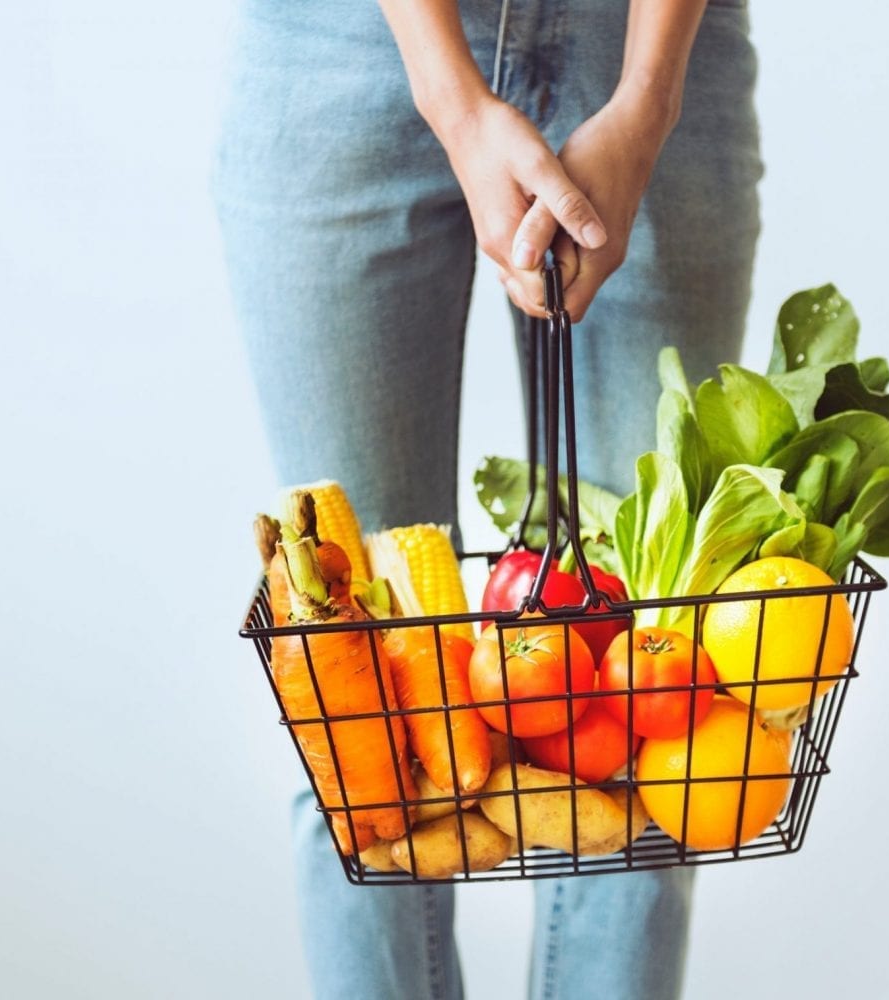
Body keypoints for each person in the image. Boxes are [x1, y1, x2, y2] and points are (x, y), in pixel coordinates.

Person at [214, 0, 761, 996]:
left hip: (647, 40)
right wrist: (449, 93)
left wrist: (648, 95)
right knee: (356, 720)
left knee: (658, 709)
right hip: (345, 42)